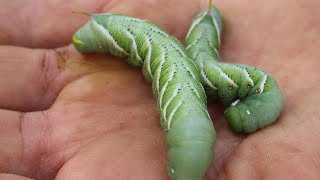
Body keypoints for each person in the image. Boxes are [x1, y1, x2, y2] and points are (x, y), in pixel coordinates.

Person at [0, 0, 319, 179]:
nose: (234, 119)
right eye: (245, 114)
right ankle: (99, 32)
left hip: (148, 40)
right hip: (122, 33)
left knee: (184, 70)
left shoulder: (239, 85)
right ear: (251, 98)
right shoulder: (252, 85)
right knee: (180, 68)